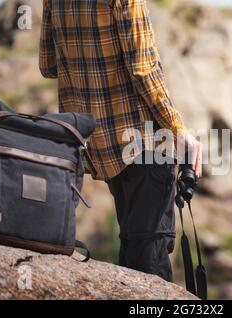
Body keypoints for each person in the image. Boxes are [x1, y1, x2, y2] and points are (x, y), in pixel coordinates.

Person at [39, 0, 202, 282]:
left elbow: (48, 64)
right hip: (146, 143)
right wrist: (177, 128)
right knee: (149, 263)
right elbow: (143, 69)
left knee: (131, 247)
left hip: (98, 141)